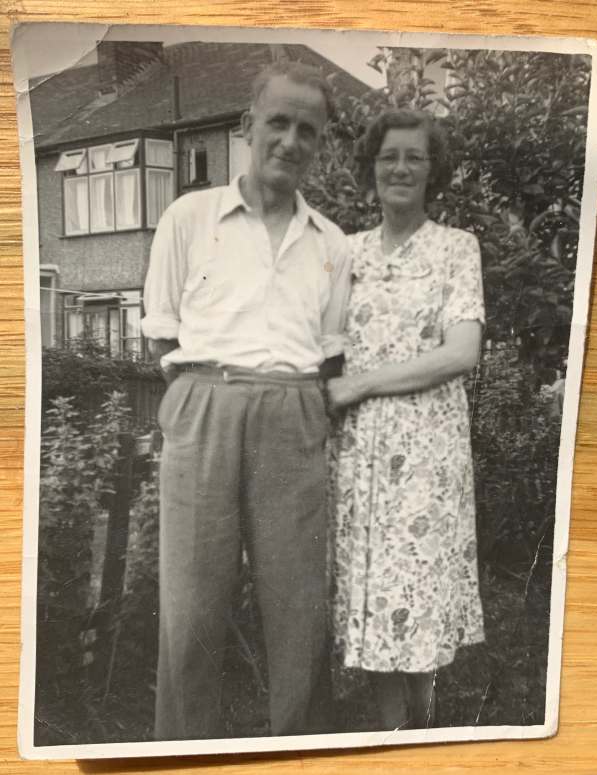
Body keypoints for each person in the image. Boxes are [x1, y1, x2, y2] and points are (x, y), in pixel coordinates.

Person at [141, 61, 352, 740]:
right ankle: (181, 751)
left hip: (293, 416)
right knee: (192, 611)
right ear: (246, 127)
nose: (291, 140)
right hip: (204, 404)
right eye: (278, 123)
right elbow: (161, 334)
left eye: (307, 130)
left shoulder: (333, 244)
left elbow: (331, 353)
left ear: (319, 143)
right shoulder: (189, 217)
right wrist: (206, 403)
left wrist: (292, 407)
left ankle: (300, 748)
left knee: (299, 611)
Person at [327, 109, 486, 730]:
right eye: (388, 155)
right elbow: (325, 345)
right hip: (360, 447)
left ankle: (424, 722)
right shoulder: (345, 253)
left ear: (432, 170)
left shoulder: (455, 248)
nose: (400, 167)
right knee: (369, 582)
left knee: (416, 580)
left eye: (414, 157)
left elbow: (461, 352)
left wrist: (360, 384)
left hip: (427, 448)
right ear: (372, 167)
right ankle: (392, 728)